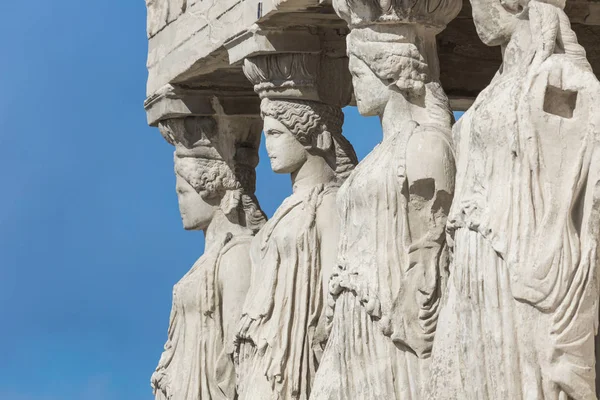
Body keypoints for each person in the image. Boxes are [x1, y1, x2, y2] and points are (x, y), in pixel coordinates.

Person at [429, 1, 600, 399]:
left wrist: (551, 253)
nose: (473, 13)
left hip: (522, 259)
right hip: (475, 257)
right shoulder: (496, 87)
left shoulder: (556, 75)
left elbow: (576, 167)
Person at [235, 99, 357, 400]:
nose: (267, 145)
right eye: (266, 135)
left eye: (276, 134)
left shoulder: (328, 203)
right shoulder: (285, 210)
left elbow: (335, 290)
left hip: (299, 353)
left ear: (312, 137)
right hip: (265, 347)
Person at [151, 116, 266, 400]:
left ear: (210, 189)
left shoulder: (237, 253)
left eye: (183, 191)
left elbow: (240, 351)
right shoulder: (206, 261)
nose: (179, 202)